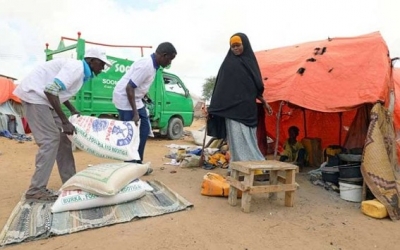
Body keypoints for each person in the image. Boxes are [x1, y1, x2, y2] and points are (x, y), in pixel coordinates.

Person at [13, 48, 111, 202]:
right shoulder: (76, 68)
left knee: (64, 138)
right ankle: (35, 190)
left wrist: (72, 110)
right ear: (92, 61)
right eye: (102, 64)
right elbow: (50, 91)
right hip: (35, 97)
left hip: (43, 99)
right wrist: (65, 121)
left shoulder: (81, 73)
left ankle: (71, 182)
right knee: (50, 140)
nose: (102, 69)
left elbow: (58, 92)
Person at [206, 32, 272, 175]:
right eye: (233, 46)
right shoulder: (228, 64)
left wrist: (265, 102)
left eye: (238, 45)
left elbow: (255, 88)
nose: (235, 49)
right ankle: (238, 168)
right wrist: (213, 108)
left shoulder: (250, 62)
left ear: (245, 45)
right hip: (232, 111)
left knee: (250, 139)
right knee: (236, 141)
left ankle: (255, 166)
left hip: (248, 110)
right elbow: (221, 88)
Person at [112, 42, 177, 173]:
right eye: (170, 59)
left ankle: (137, 165)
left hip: (135, 98)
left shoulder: (153, 65)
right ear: (163, 55)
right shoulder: (146, 65)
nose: (169, 62)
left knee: (144, 129)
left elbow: (138, 85)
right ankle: (130, 169)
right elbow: (129, 87)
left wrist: (144, 95)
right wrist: (135, 113)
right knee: (131, 134)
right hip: (125, 98)